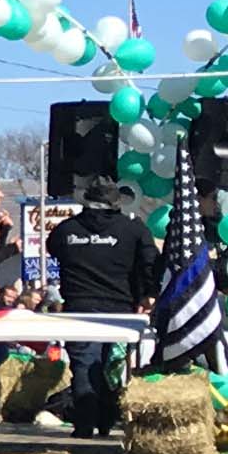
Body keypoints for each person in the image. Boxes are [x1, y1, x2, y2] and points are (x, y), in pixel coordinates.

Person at [46, 181, 159, 429]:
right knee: (111, 365)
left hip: (79, 306)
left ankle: (85, 425)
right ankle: (106, 421)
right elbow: (150, 262)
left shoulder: (65, 230)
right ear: (117, 203)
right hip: (120, 309)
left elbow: (52, 248)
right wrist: (148, 293)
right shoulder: (133, 230)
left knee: (85, 364)